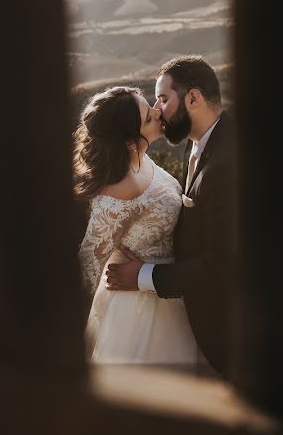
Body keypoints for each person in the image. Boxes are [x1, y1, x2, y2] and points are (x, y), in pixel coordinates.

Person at [105, 56, 236, 378]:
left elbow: (223, 264)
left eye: (164, 98)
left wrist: (144, 276)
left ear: (193, 98)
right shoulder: (198, 146)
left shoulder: (229, 162)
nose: (157, 108)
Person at [75, 86, 201, 368]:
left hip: (168, 288)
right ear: (131, 141)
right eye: (148, 117)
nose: (158, 112)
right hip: (141, 313)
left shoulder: (139, 161)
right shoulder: (116, 193)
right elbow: (87, 268)